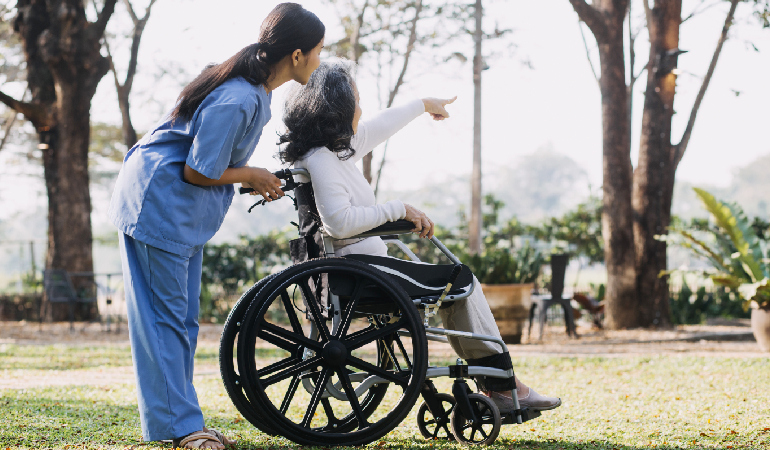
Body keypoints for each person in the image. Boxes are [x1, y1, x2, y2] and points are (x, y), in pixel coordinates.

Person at [277, 60, 561, 414]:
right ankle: (504, 386)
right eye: (357, 100)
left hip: (361, 268)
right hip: (361, 272)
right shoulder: (322, 159)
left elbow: (381, 126)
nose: (361, 109)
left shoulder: (332, 152)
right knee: (461, 280)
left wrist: (425, 104)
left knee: (455, 282)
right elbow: (339, 223)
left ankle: (498, 384)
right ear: (337, 107)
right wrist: (398, 209)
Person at [107, 4, 324, 449]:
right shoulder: (240, 96)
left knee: (182, 321)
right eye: (319, 52)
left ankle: (178, 423)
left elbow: (211, 161)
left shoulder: (255, 93)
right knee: (166, 323)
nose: (320, 61)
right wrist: (248, 174)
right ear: (298, 54)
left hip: (181, 211)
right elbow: (197, 171)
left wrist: (251, 177)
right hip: (159, 204)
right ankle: (183, 430)